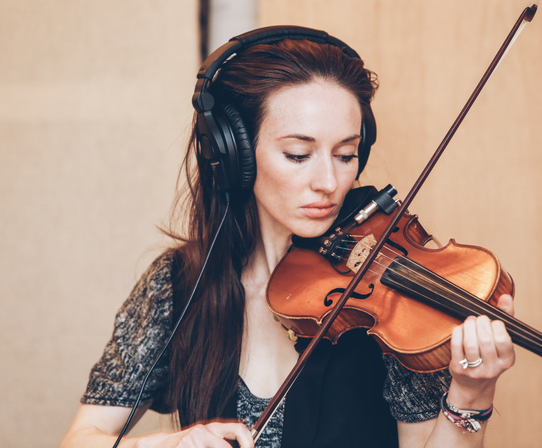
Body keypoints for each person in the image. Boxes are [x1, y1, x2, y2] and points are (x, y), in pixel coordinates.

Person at [60, 26, 515, 448]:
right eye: (299, 155)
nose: (329, 182)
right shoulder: (178, 283)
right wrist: (168, 444)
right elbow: (84, 436)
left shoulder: (383, 298)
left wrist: (471, 395)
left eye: (346, 154)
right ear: (235, 155)